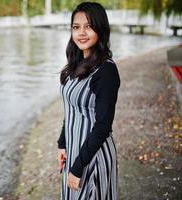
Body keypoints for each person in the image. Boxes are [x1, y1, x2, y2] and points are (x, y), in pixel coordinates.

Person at [57, 2, 120, 200]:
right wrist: (63, 143)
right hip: (75, 150)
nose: (81, 33)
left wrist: (77, 166)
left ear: (100, 29)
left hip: (92, 156)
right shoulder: (77, 65)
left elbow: (102, 126)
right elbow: (72, 108)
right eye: (76, 27)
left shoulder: (106, 72)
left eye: (89, 26)